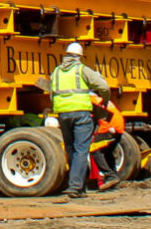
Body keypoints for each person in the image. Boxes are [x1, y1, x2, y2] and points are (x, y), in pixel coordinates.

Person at [41, 42, 112, 200]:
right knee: (81, 150)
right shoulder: (82, 69)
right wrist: (105, 100)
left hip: (63, 115)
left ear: (66, 55)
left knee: (71, 149)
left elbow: (53, 95)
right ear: (79, 56)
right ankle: (75, 187)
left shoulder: (56, 72)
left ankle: (79, 187)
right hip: (81, 114)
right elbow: (104, 86)